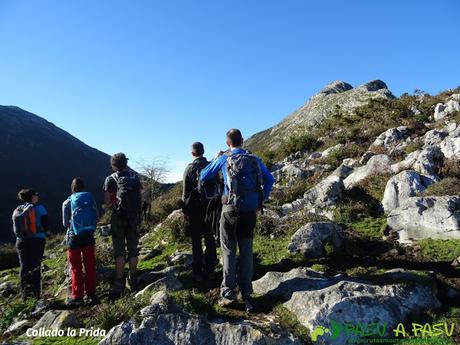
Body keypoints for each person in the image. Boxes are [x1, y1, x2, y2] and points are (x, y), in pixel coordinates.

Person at [200, 129, 274, 312]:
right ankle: (247, 292)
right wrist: (260, 200)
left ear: (228, 143)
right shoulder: (254, 159)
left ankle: (228, 293)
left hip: (230, 211)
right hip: (250, 211)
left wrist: (216, 157)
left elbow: (203, 176)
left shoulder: (224, 158)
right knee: (247, 249)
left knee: (228, 250)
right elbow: (270, 179)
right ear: (242, 141)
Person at [103, 153, 142, 299]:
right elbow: (140, 194)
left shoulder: (110, 179)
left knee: (119, 250)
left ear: (113, 165)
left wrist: (112, 204)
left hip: (118, 217)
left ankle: (119, 283)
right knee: (133, 248)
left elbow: (107, 201)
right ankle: (133, 280)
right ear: (126, 162)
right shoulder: (134, 176)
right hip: (133, 217)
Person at [182, 142, 218, 281]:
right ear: (203, 151)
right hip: (211, 207)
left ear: (193, 153)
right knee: (210, 238)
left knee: (196, 240)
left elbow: (185, 193)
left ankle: (197, 271)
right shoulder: (211, 166)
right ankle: (210, 268)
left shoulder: (189, 168)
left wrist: (185, 211)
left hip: (194, 210)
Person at [62, 177, 99, 307]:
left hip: (74, 237)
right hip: (89, 234)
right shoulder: (89, 198)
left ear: (72, 188)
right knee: (89, 265)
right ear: (84, 187)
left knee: (76, 268)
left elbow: (65, 223)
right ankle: (91, 294)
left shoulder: (67, 202)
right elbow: (96, 215)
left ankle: (77, 296)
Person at [12, 189, 48, 300]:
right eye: (36, 194)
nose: (37, 196)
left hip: (21, 241)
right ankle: (36, 295)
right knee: (35, 266)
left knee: (24, 266)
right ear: (32, 197)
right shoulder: (40, 208)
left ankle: (25, 296)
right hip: (37, 240)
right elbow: (46, 224)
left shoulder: (19, 210)